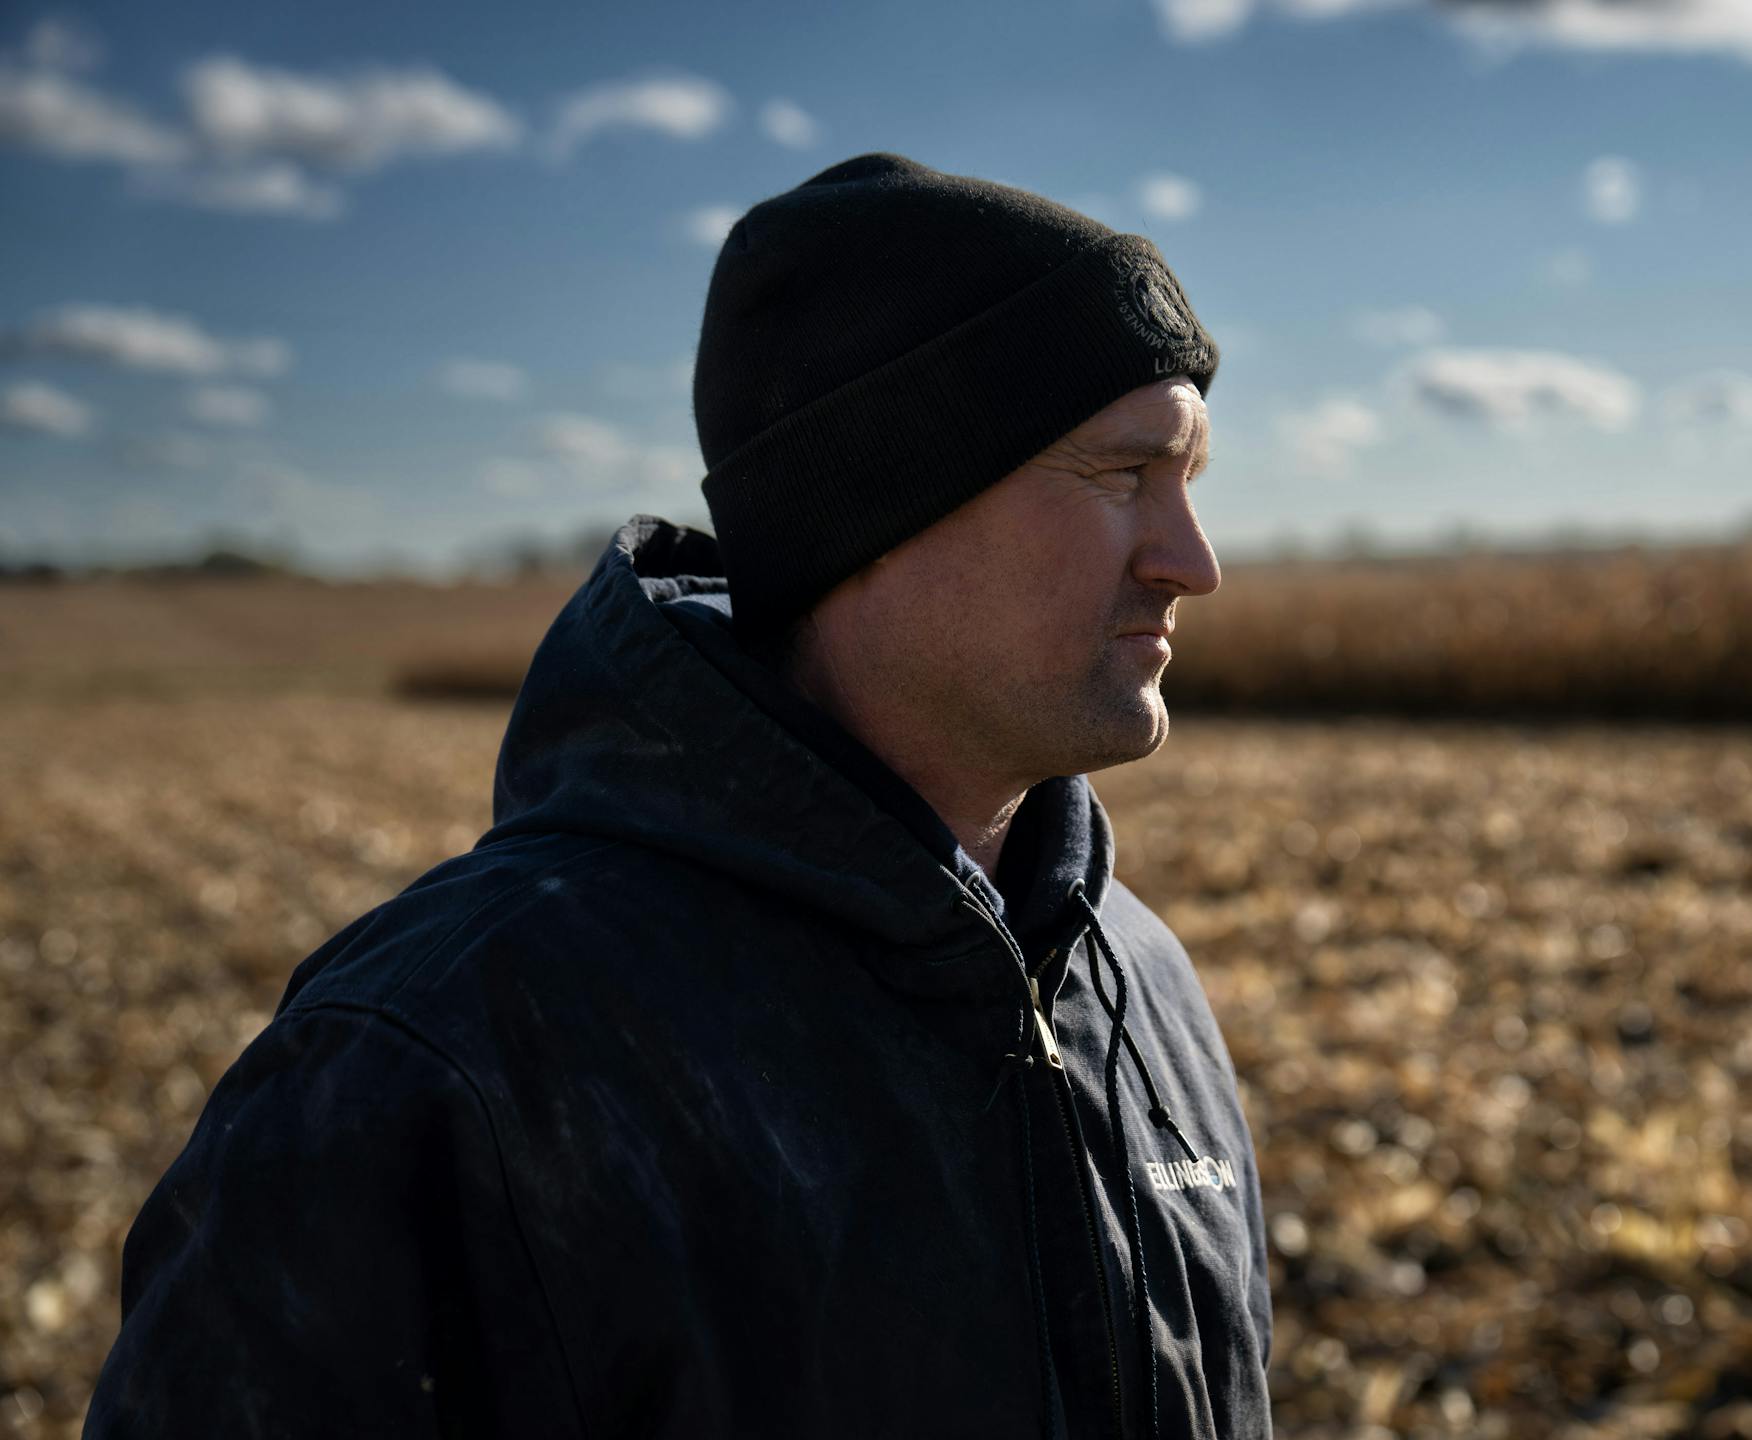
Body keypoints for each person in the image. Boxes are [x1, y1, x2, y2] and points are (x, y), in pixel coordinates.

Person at [84, 151, 1273, 1439]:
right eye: (1120, 475)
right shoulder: (437, 1066)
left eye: (1189, 484)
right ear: (881, 500)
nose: (1192, 564)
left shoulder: (1137, 978)